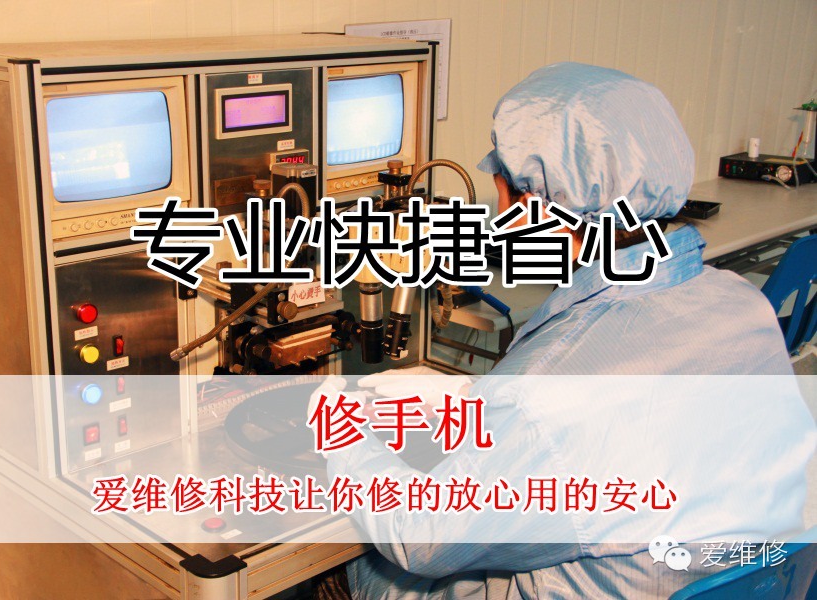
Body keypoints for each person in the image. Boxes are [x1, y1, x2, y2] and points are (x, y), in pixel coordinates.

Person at [316, 62, 815, 599]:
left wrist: (340, 430)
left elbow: (421, 538)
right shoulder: (743, 306)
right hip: (752, 582)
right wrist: (480, 398)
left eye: (500, 193)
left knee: (343, 566)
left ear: (531, 205)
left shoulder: (546, 394)